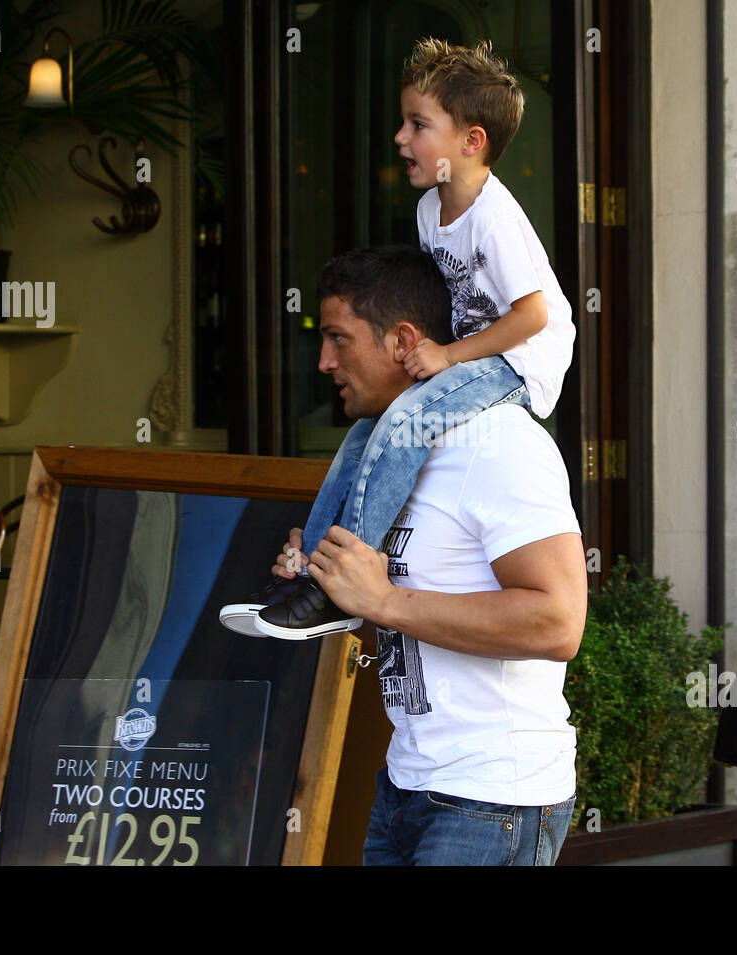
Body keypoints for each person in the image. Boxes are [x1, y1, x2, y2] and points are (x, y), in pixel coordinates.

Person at [227, 36, 574, 640]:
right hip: (473, 351)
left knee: (403, 423)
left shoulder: (495, 216)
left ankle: (337, 586)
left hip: (517, 361)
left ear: (472, 142)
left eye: (418, 124)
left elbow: (533, 318)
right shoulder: (429, 210)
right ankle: (313, 565)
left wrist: (444, 354)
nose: (400, 138)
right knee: (365, 433)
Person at [272, 245, 587, 865]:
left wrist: (384, 598)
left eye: (338, 339)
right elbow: (406, 605)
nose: (323, 361)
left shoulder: (498, 443)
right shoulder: (395, 450)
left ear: (403, 341)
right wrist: (330, 579)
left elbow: (558, 622)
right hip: (408, 784)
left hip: (491, 798)